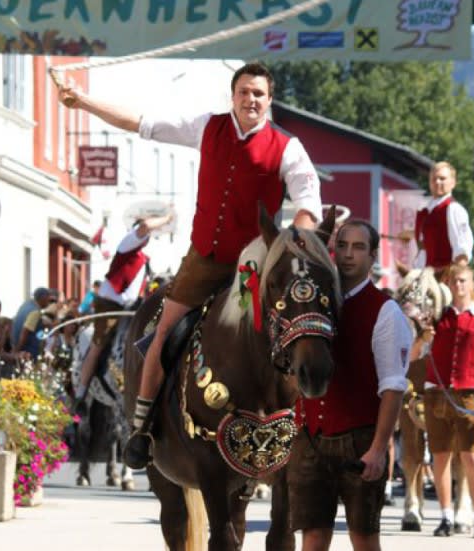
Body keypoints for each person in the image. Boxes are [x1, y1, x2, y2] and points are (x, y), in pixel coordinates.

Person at [58, 61, 323, 468]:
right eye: (244, 92)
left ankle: (298, 429)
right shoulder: (207, 126)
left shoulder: (289, 148)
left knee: (288, 333)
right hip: (204, 258)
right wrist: (83, 102)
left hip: (252, 266)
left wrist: (291, 243)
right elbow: (141, 122)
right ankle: (142, 426)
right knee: (163, 332)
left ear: (269, 100)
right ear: (232, 96)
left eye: (258, 94)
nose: (250, 99)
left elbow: (308, 204)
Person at [288, 219, 410, 551]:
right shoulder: (315, 300)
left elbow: (393, 387)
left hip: (359, 440)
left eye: (358, 247)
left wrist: (378, 450)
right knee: (312, 538)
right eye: (341, 246)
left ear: (372, 256)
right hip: (310, 437)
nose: (348, 255)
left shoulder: (385, 311)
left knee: (364, 538)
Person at [424, 264, 474, 539]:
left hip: (468, 393)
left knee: (471, 456)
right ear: (447, 285)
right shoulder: (435, 317)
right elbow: (414, 354)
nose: (458, 285)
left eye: (462, 281)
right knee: (440, 456)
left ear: (471, 284)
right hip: (436, 392)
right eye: (454, 281)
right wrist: (423, 337)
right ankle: (446, 516)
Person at [76, 214, 172, 403]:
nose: (148, 235)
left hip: (131, 306)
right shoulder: (128, 243)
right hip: (110, 304)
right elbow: (145, 225)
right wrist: (167, 217)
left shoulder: (144, 258)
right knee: (98, 344)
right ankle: (81, 392)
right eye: (146, 232)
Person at [404, 162, 474, 276]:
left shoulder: (454, 209)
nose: (437, 182)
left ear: (453, 182)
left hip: (444, 278)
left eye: (442, 178)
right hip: (423, 275)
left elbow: (462, 250)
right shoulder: (425, 210)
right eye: (434, 179)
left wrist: (455, 278)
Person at [11, 288, 58, 357]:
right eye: (48, 299)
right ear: (43, 298)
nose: (49, 302)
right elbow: (25, 332)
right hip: (28, 352)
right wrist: (16, 351)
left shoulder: (25, 305)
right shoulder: (35, 312)